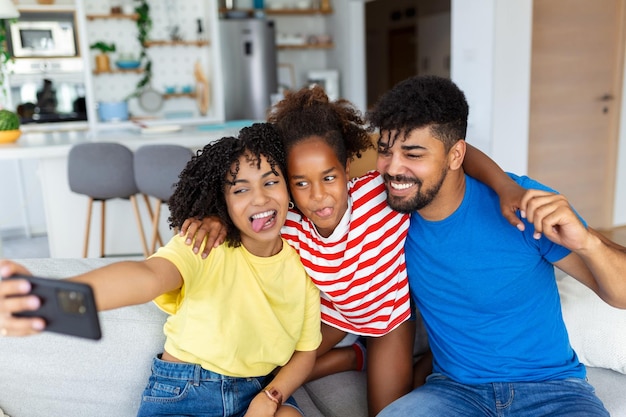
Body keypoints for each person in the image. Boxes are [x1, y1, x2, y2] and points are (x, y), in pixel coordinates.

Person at [180, 86, 528, 416]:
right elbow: (247, 207)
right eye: (300, 183)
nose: (317, 196)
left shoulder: (381, 190)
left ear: (346, 168)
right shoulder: (286, 220)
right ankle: (350, 357)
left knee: (387, 412)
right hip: (333, 318)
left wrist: (506, 186)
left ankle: (426, 361)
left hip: (388, 320)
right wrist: (216, 219)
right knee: (272, 371)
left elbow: (453, 151)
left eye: (329, 178)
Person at [0, 123, 322, 417]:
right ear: (221, 203)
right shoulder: (205, 244)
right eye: (240, 189)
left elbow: (306, 351)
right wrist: (54, 298)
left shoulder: (303, 267)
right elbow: (146, 277)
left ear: (289, 190)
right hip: (186, 392)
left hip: (258, 390)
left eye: (271, 182)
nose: (260, 197)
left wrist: (271, 396)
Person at [368, 74, 626, 417]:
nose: (393, 169)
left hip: (554, 391)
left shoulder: (523, 205)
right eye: (385, 152)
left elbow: (619, 294)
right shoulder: (385, 212)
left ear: (455, 155)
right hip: (455, 392)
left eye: (412, 155)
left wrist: (589, 242)